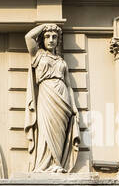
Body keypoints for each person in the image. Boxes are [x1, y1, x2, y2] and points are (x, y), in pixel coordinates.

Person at [23, 23, 80, 173]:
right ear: (42, 39)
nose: (51, 40)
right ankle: (44, 164)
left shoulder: (62, 61)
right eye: (47, 37)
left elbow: (69, 85)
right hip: (46, 94)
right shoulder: (38, 55)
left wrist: (74, 107)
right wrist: (46, 25)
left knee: (59, 131)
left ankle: (57, 163)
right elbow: (28, 37)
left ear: (58, 40)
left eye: (55, 37)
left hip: (63, 97)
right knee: (45, 129)